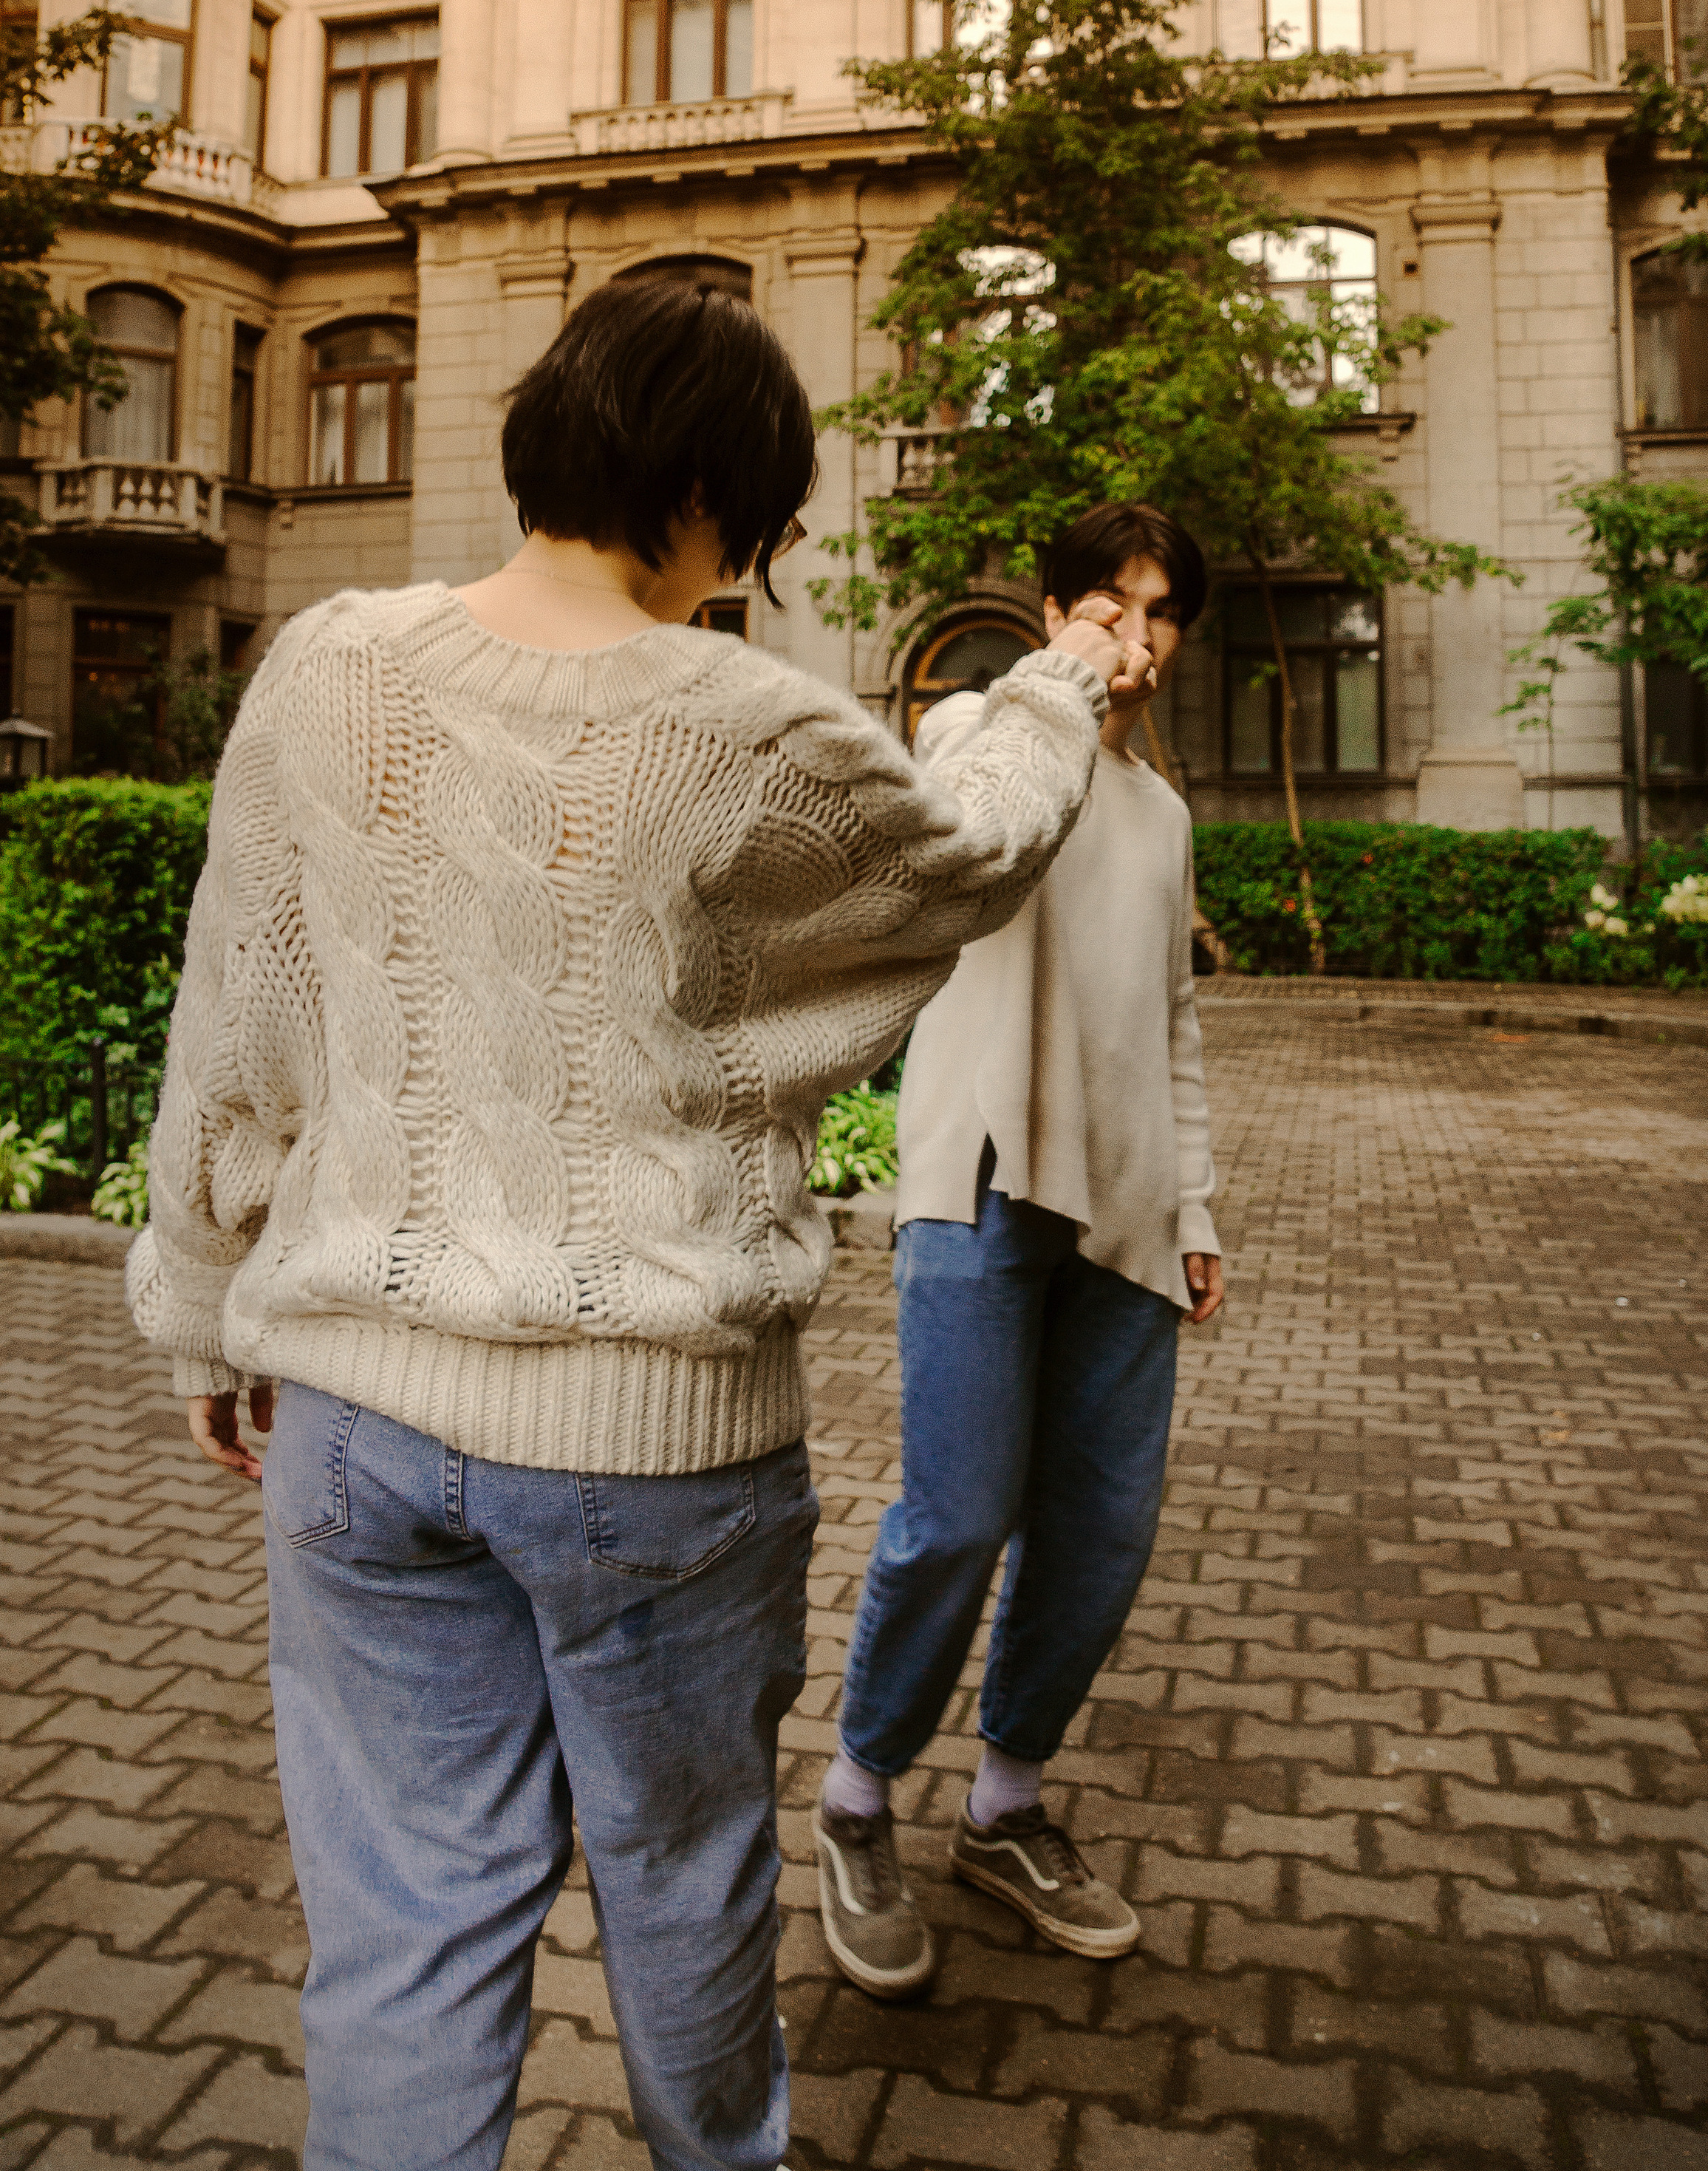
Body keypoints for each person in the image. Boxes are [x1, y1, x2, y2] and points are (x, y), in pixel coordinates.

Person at [126, 275, 1151, 2171]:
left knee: (406, 1923)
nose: (743, 565)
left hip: (348, 1434)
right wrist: (1054, 680)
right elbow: (974, 848)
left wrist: (202, 1306)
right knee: (682, 1889)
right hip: (654, 1449)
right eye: (754, 522)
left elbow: (238, 1015)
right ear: (709, 492)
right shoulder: (745, 727)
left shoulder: (327, 667)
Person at [814, 500, 1221, 1999]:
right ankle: (856, 1804)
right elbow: (941, 852)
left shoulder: (1166, 820)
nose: (1134, 634)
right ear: (1049, 612)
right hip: (982, 1182)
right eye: (1104, 604)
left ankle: (1004, 1808)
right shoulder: (977, 729)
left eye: (1159, 610)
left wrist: (1195, 1209)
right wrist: (1048, 692)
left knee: (1102, 1531)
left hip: (1123, 1208)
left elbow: (1174, 1026)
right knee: (957, 1515)